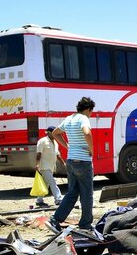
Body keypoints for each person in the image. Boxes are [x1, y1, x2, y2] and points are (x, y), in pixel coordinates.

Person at [49, 97, 96, 234]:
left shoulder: (69, 118)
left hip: (71, 161)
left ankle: (55, 219)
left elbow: (55, 133)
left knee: (72, 193)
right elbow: (87, 132)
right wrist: (91, 149)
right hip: (83, 161)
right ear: (87, 109)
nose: (91, 114)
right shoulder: (83, 118)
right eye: (91, 111)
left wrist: (67, 146)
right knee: (87, 194)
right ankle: (85, 225)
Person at [35, 126, 64, 206]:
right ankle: (58, 199)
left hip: (51, 166)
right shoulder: (42, 141)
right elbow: (39, 153)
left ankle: (39, 200)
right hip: (44, 166)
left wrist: (63, 163)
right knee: (52, 181)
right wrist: (37, 164)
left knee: (46, 183)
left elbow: (57, 155)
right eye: (54, 132)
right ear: (49, 132)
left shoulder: (55, 142)